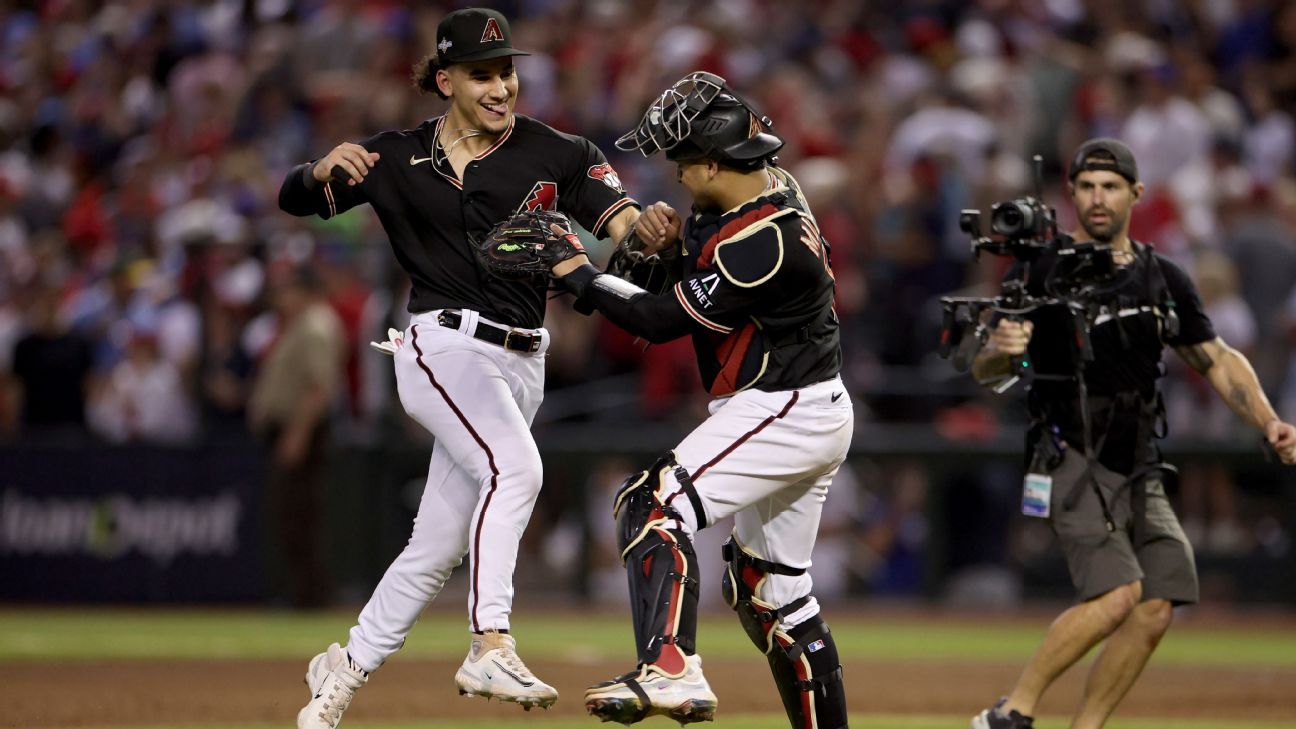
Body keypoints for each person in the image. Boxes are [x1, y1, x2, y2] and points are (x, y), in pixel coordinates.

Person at [277, 8, 648, 728]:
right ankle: (490, 639)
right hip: (441, 344)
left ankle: (341, 674)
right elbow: (297, 200)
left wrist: (651, 230)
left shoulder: (555, 151)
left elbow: (622, 223)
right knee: (518, 470)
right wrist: (314, 170)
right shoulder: (393, 156)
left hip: (521, 361)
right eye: (483, 72)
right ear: (445, 79)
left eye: (507, 69)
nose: (501, 84)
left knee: (437, 543)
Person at [547, 71, 852, 729]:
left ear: (714, 162)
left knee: (650, 503)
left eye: (682, 161)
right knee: (772, 595)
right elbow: (677, 277)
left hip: (782, 405)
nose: (675, 175)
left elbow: (657, 321)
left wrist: (576, 271)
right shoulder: (748, 198)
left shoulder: (764, 239)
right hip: (802, 403)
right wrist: (657, 246)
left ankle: (672, 667)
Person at [969, 138, 1296, 729]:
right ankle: (1009, 713)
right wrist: (1000, 352)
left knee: (1156, 604)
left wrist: (1268, 419)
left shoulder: (1160, 277)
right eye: (1088, 186)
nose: (1098, 198)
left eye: (1111, 186)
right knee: (1119, 595)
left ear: (1135, 194)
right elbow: (987, 367)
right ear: (1071, 196)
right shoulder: (1041, 268)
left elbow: (1216, 358)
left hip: (1138, 461)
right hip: (1069, 453)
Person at [247, 265, 345, 609]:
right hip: (292, 430)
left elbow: (319, 389)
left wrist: (297, 434)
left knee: (299, 516)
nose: (280, 298)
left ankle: (310, 597)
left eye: (287, 290)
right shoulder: (299, 324)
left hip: (303, 431)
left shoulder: (315, 324)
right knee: (291, 515)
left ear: (304, 291)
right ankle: (302, 594)